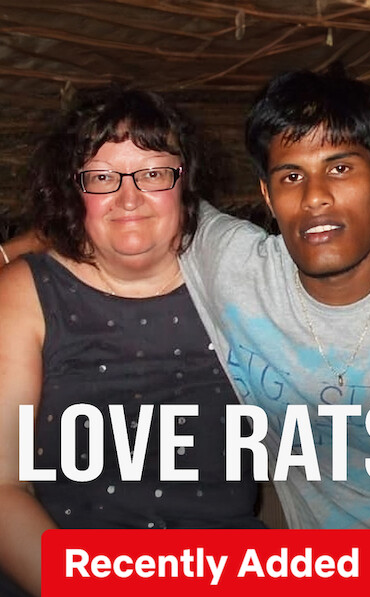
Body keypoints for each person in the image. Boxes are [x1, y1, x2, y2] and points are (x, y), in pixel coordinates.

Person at [0, 85, 264, 597]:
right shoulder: (24, 292)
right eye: (103, 177)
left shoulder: (238, 281)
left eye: (153, 173)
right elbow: (3, 485)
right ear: (74, 188)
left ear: (185, 181)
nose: (129, 197)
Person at [179, 69, 370, 595]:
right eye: (291, 176)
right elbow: (131, 208)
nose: (315, 197)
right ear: (267, 196)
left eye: (339, 167)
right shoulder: (237, 272)